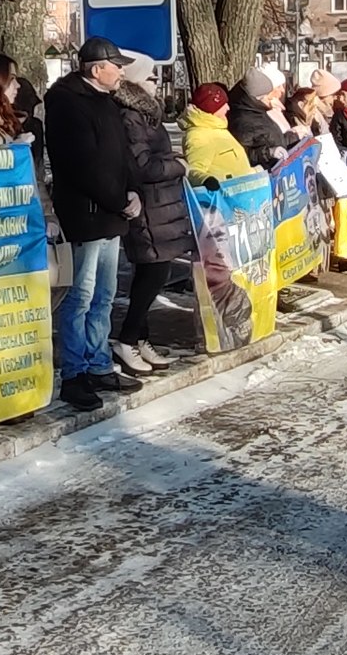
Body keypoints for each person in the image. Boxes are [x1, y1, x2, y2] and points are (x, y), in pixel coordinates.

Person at [43, 37, 141, 410]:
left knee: (103, 296)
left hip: (112, 214)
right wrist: (118, 199)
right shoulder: (68, 104)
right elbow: (83, 164)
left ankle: (99, 363)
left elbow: (123, 154)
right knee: (80, 297)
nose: (121, 71)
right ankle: (74, 373)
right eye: (116, 65)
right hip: (85, 214)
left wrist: (133, 191)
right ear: (96, 69)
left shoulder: (105, 101)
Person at [111, 59, 197, 375]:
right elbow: (142, 165)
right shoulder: (131, 117)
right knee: (153, 273)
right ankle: (127, 338)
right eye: (149, 76)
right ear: (134, 82)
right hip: (147, 206)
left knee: (153, 273)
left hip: (162, 205)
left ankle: (139, 338)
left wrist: (170, 160)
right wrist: (178, 165)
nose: (155, 80)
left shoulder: (147, 112)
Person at [183, 83, 254, 182]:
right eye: (223, 104)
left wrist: (256, 172)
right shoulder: (199, 136)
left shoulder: (219, 128)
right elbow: (194, 170)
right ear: (211, 107)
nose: (228, 108)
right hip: (221, 194)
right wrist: (206, 180)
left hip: (238, 193)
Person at [229, 67, 296, 167]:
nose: (273, 97)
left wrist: (292, 136)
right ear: (258, 98)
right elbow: (243, 155)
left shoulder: (257, 111)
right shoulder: (245, 119)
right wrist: (269, 153)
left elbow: (270, 139)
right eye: (268, 95)